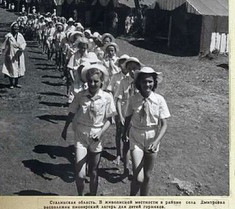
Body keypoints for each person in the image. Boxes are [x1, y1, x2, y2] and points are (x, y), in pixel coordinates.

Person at [61, 64, 116, 196]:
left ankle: (92, 197)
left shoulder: (107, 97)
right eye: (90, 81)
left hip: (97, 136)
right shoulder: (80, 96)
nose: (92, 84)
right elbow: (72, 112)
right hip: (81, 134)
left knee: (94, 171)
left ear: (101, 82)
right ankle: (80, 197)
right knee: (80, 174)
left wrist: (100, 133)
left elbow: (110, 120)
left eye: (96, 81)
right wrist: (65, 128)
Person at [124, 66, 169, 196]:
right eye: (144, 81)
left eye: (150, 81)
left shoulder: (159, 100)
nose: (147, 84)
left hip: (152, 138)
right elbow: (128, 117)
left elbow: (164, 124)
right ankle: (132, 200)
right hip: (136, 137)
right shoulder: (133, 99)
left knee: (147, 176)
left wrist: (156, 142)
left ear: (154, 83)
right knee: (138, 177)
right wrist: (124, 133)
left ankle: (144, 202)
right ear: (139, 83)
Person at [0, 22, 27, 88]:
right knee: (11, 68)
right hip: (11, 54)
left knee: (18, 67)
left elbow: (24, 43)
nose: (16, 28)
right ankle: (11, 83)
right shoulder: (8, 36)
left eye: (17, 27)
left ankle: (16, 83)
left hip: (19, 54)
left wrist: (22, 47)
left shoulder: (20, 35)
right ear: (12, 28)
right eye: (15, 27)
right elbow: (3, 45)